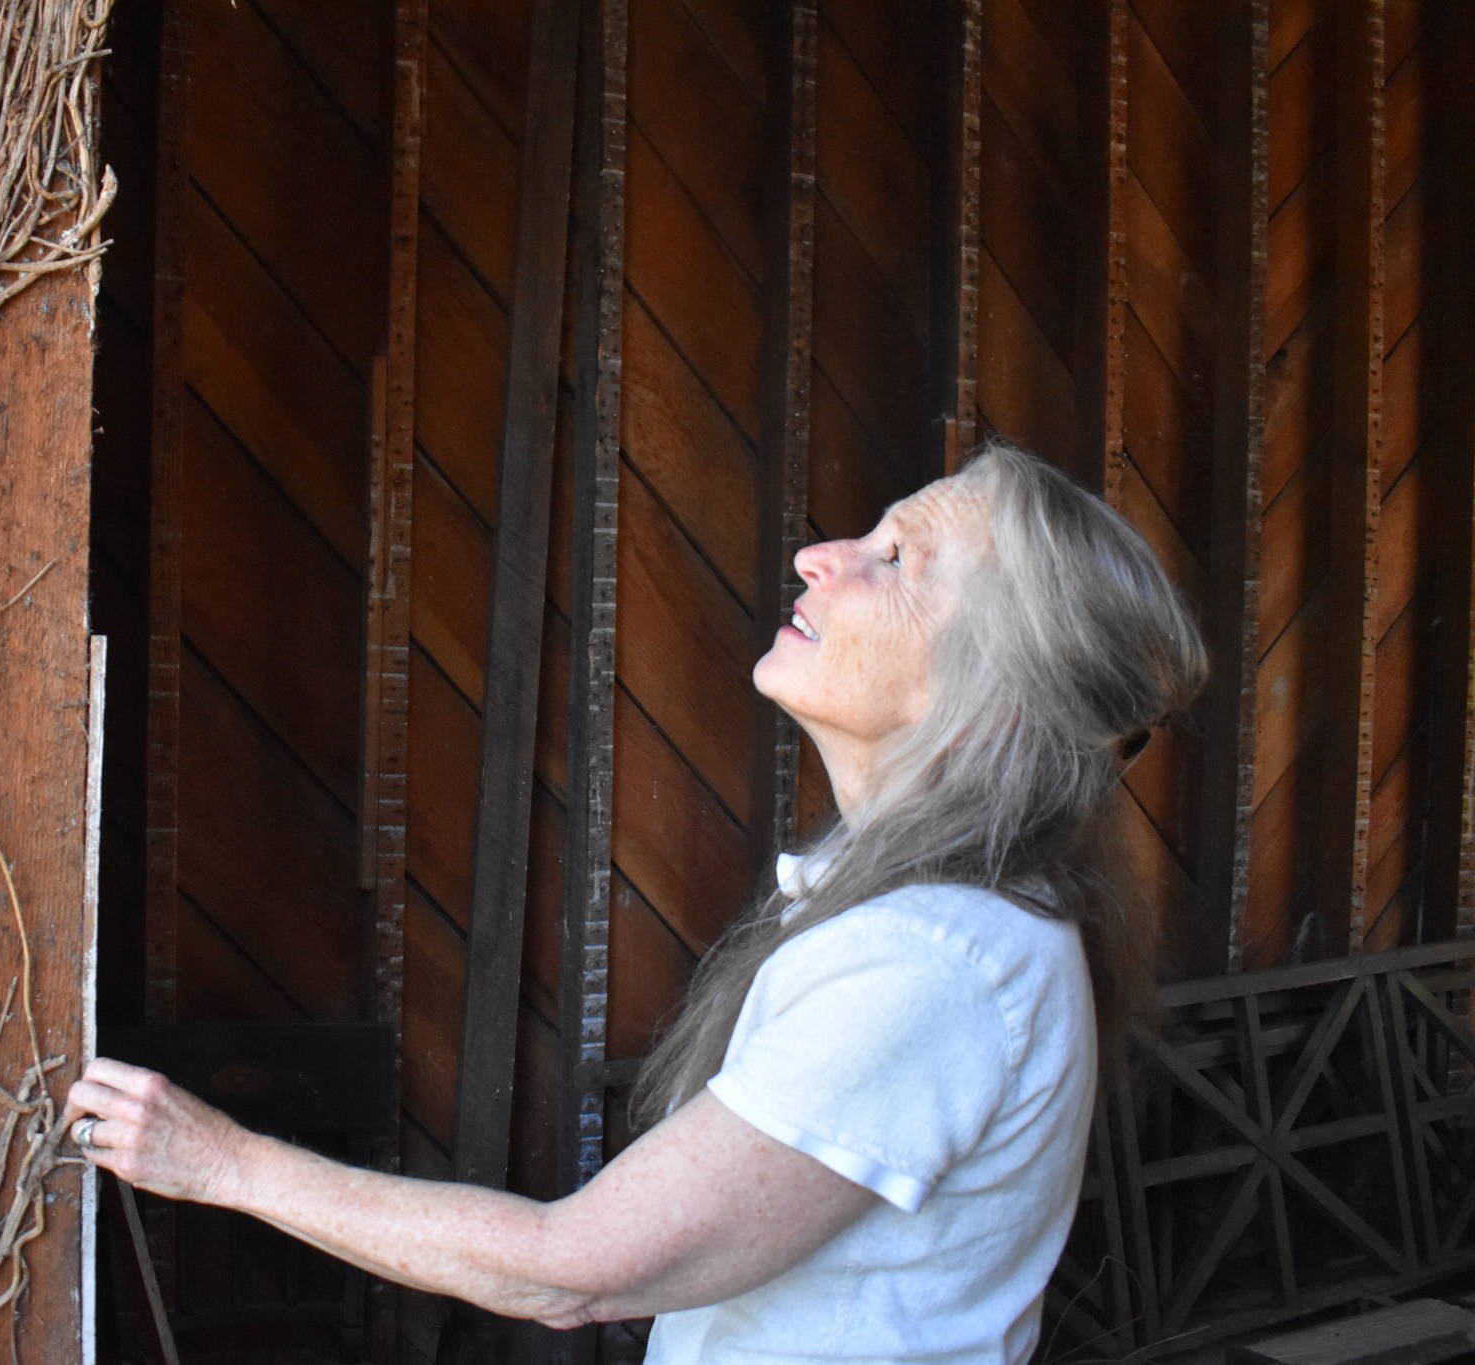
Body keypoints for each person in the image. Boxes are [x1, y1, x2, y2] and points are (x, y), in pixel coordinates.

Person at [62, 442, 1208, 1362]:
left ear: (993, 706)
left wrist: (220, 1166)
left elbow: (572, 1269)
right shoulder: (965, 921)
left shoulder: (932, 962)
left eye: (896, 559)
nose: (819, 556)